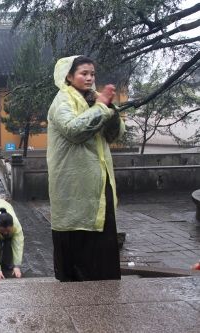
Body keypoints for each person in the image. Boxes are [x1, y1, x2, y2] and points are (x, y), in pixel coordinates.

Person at [47, 55, 125, 282]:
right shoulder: (62, 100)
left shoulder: (94, 99)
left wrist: (110, 109)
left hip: (99, 181)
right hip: (73, 183)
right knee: (76, 231)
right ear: (69, 77)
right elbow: (74, 130)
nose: (89, 78)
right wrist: (101, 106)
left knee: (103, 229)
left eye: (92, 74)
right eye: (83, 73)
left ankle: (104, 283)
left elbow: (115, 135)